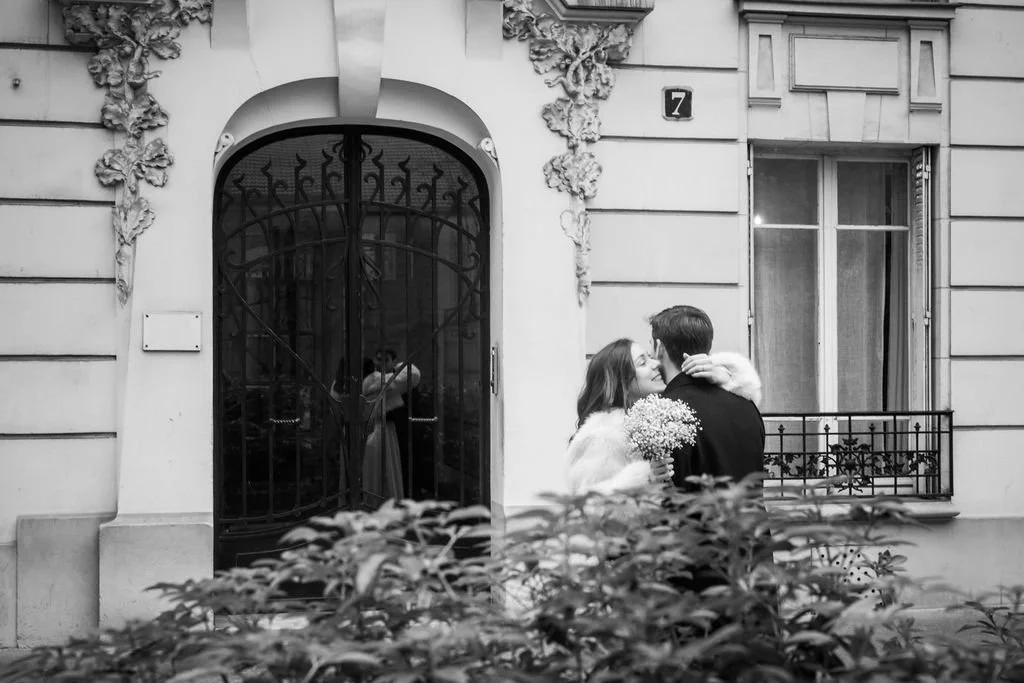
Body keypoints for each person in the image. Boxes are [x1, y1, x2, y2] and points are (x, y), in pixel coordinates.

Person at [565, 338, 761, 495]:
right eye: (643, 362)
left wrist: (724, 375)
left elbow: (745, 390)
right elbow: (592, 507)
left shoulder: (650, 420)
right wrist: (645, 477)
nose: (656, 364)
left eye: (651, 357)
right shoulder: (603, 436)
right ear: (621, 382)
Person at [651, 305, 765, 491]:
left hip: (698, 519)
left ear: (659, 348)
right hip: (751, 518)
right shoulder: (746, 404)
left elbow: (670, 491)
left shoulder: (665, 410)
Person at [360, 351, 421, 505]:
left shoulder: (400, 378)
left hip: (399, 429)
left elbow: (413, 374)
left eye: (385, 360)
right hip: (378, 429)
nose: (381, 363)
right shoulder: (371, 380)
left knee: (394, 467)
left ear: (393, 361)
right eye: (378, 359)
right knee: (379, 467)